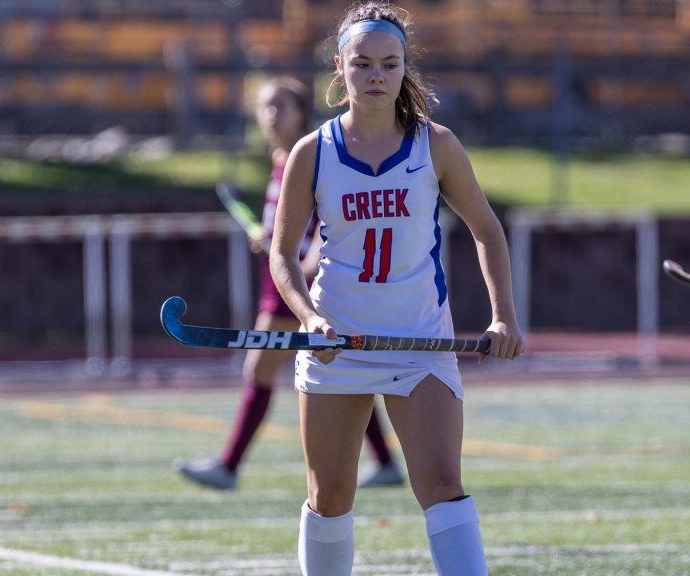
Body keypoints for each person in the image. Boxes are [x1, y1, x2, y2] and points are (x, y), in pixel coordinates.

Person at [270, 4, 524, 574]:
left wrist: (503, 315)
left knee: (442, 484)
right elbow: (283, 255)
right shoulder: (312, 152)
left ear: (405, 68)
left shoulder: (435, 145)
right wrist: (310, 320)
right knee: (329, 497)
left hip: (418, 342)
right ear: (340, 68)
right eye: (362, 63)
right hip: (337, 344)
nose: (376, 75)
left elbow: (487, 230)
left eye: (389, 63)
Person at [175, 76, 405, 491]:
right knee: (340, 367)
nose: (270, 115)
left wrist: (308, 262)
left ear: (301, 112)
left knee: (261, 369)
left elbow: (329, 218)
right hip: (282, 277)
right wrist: (268, 239)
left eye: (280, 106)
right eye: (265, 106)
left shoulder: (312, 156)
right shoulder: (282, 158)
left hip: (300, 282)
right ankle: (385, 462)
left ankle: (228, 466)